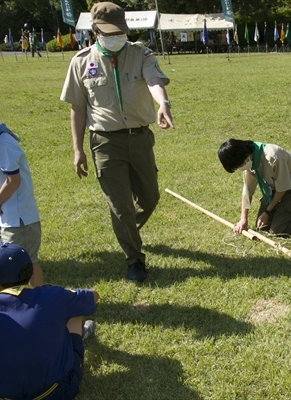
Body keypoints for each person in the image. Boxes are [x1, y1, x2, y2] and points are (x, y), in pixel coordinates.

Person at [60, 2, 174, 282]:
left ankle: (127, 231)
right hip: (104, 143)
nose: (115, 36)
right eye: (108, 32)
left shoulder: (141, 54)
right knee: (121, 206)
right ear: (95, 29)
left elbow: (154, 80)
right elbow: (77, 108)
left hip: (140, 139)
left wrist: (163, 103)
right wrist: (77, 150)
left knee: (150, 198)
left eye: (119, 31)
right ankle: (134, 259)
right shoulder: (81, 62)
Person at [0, 243, 99, 399]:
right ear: (31, 273)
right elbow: (93, 296)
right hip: (54, 394)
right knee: (74, 312)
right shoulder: (51, 296)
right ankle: (78, 337)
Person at [218, 139, 291, 237]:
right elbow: (247, 191)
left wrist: (268, 211)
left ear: (243, 157)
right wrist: (243, 219)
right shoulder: (249, 163)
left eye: (238, 165)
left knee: (278, 230)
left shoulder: (273, 156)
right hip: (272, 189)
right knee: (263, 228)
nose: (240, 168)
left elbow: (282, 189)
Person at [0, 113, 43, 287]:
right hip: (6, 217)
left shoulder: (3, 143)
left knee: (25, 263)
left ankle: (37, 303)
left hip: (19, 220)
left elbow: (13, 180)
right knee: (5, 264)